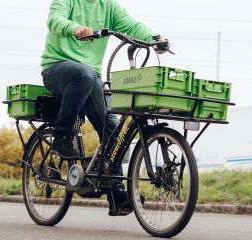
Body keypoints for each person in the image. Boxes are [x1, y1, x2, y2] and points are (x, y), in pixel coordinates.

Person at [40, 0, 167, 216]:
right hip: (57, 69)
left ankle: (116, 195)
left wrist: (154, 39)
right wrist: (75, 28)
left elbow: (131, 25)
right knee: (85, 74)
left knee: (112, 127)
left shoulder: (108, 5)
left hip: (89, 77)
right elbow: (55, 20)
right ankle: (62, 137)